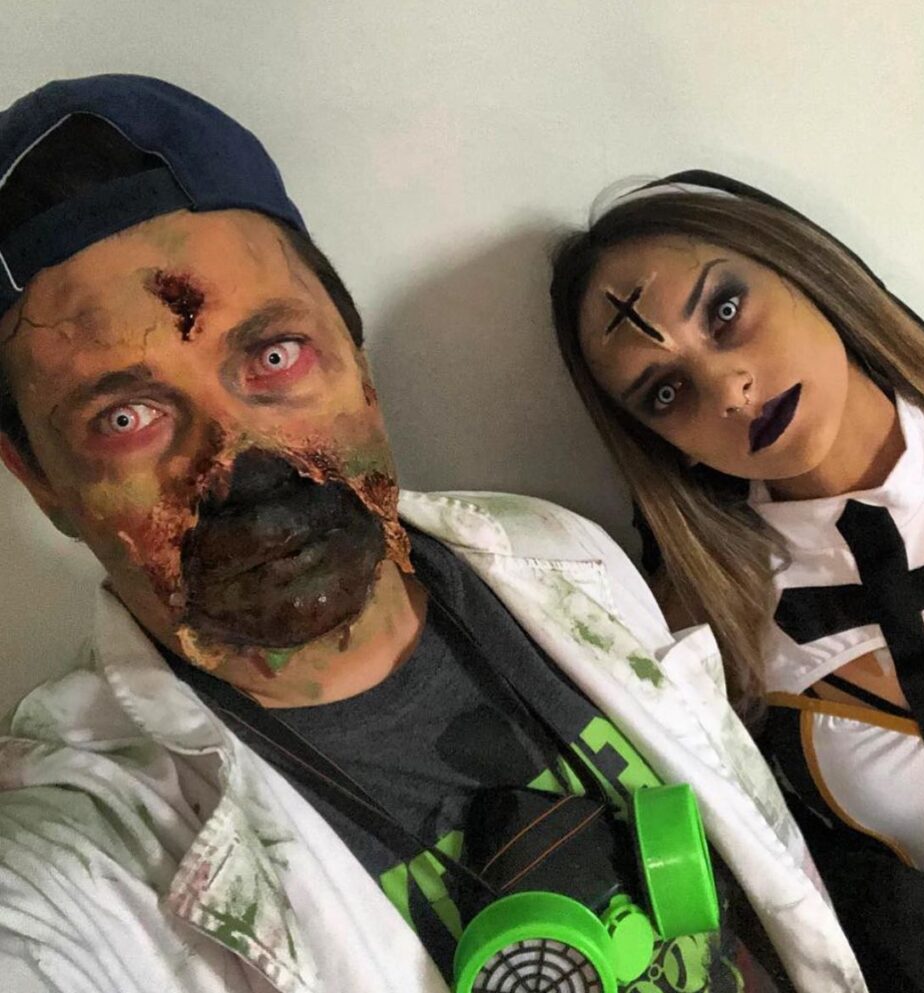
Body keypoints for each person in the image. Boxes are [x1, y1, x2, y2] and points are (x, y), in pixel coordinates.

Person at [0, 79, 862, 993]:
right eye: (126, 417)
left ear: (356, 353)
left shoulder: (557, 553)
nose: (241, 459)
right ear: (41, 481)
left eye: (275, 355)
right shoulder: (81, 861)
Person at [549, 170, 924, 993]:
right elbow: (767, 869)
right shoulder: (704, 630)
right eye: (666, 392)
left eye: (724, 312)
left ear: (805, 269)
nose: (730, 390)